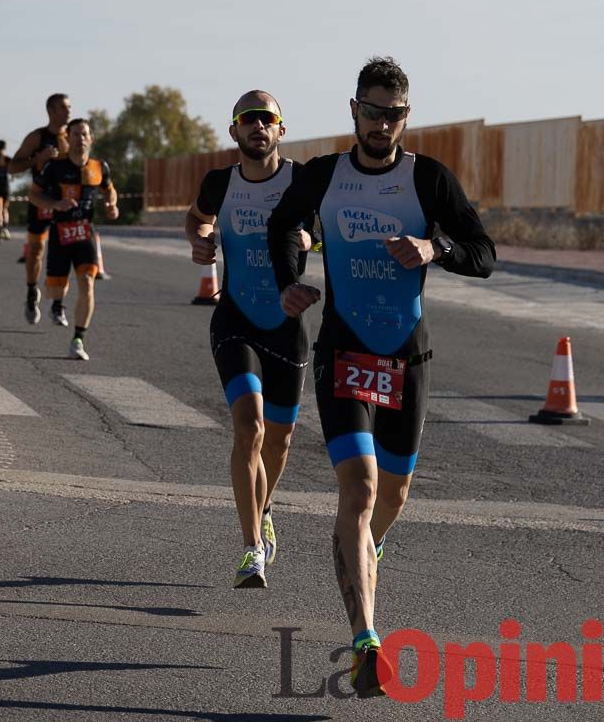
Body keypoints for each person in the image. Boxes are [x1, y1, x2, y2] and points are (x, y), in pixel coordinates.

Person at [267, 57, 496, 697]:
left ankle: (360, 549)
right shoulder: (323, 176)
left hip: (407, 359)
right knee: (361, 490)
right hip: (346, 352)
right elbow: (284, 223)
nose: (382, 124)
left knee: (392, 497)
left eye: (393, 114)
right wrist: (291, 279)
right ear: (353, 111)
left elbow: (484, 253)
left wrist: (436, 249)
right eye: (372, 112)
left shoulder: (429, 181)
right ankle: (367, 640)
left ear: (406, 117)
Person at [187, 91, 314, 589]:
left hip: (287, 323)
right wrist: (201, 241)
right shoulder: (221, 182)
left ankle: (264, 509)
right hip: (236, 318)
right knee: (250, 429)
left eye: (268, 118)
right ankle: (251, 549)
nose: (258, 126)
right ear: (234, 131)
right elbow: (196, 218)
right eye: (249, 119)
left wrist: (310, 240)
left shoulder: (302, 181)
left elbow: (331, 232)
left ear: (281, 129)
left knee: (279, 441)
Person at [28, 118, 117, 360]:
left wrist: (112, 205)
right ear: (68, 139)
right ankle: (46, 297)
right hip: (60, 234)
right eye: (75, 134)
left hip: (85, 234)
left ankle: (78, 339)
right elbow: (34, 196)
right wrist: (56, 203)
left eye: (84, 134)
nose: (80, 139)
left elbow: (109, 190)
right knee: (56, 289)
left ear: (91, 139)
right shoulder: (54, 167)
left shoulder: (100, 167)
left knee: (87, 283)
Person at [10, 93, 71, 323]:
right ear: (52, 111)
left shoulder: (74, 136)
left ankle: (57, 304)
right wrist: (37, 159)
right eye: (64, 108)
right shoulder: (37, 137)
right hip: (40, 200)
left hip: (66, 202)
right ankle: (31, 291)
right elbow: (12, 167)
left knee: (63, 252)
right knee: (36, 250)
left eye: (70, 107)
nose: (69, 111)